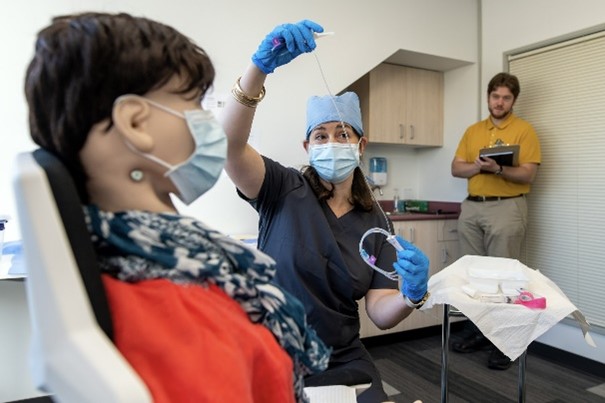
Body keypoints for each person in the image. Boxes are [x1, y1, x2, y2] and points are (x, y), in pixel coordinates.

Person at [24, 12, 330, 403]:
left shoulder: (157, 261)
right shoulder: (172, 306)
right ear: (136, 124)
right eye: (196, 104)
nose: (208, 122)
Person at [220, 20, 430, 403]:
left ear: (361, 144)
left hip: (342, 356)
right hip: (275, 351)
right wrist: (259, 69)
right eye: (321, 135)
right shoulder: (280, 189)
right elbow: (229, 146)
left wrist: (411, 295)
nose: (332, 142)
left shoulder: (378, 223)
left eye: (343, 133)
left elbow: (381, 312)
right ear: (307, 146)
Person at [451, 72, 541, 370]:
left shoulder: (524, 131)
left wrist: (498, 169)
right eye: (495, 96)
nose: (499, 102)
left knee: (505, 280)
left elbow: (528, 174)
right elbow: (456, 168)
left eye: (506, 98)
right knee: (475, 279)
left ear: (513, 100)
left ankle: (505, 343)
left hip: (507, 208)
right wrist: (478, 167)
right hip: (473, 208)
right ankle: (479, 331)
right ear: (488, 97)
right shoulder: (474, 130)